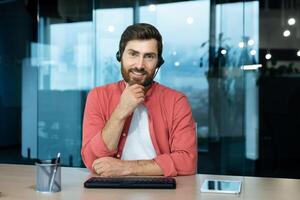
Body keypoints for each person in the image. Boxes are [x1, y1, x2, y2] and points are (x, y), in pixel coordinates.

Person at [81, 23, 197, 177]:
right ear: (120, 56)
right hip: (110, 189)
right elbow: (92, 161)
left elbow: (187, 162)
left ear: (158, 62)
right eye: (133, 54)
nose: (140, 65)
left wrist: (126, 168)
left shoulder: (177, 101)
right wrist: (121, 111)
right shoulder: (98, 96)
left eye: (149, 56)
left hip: (161, 189)